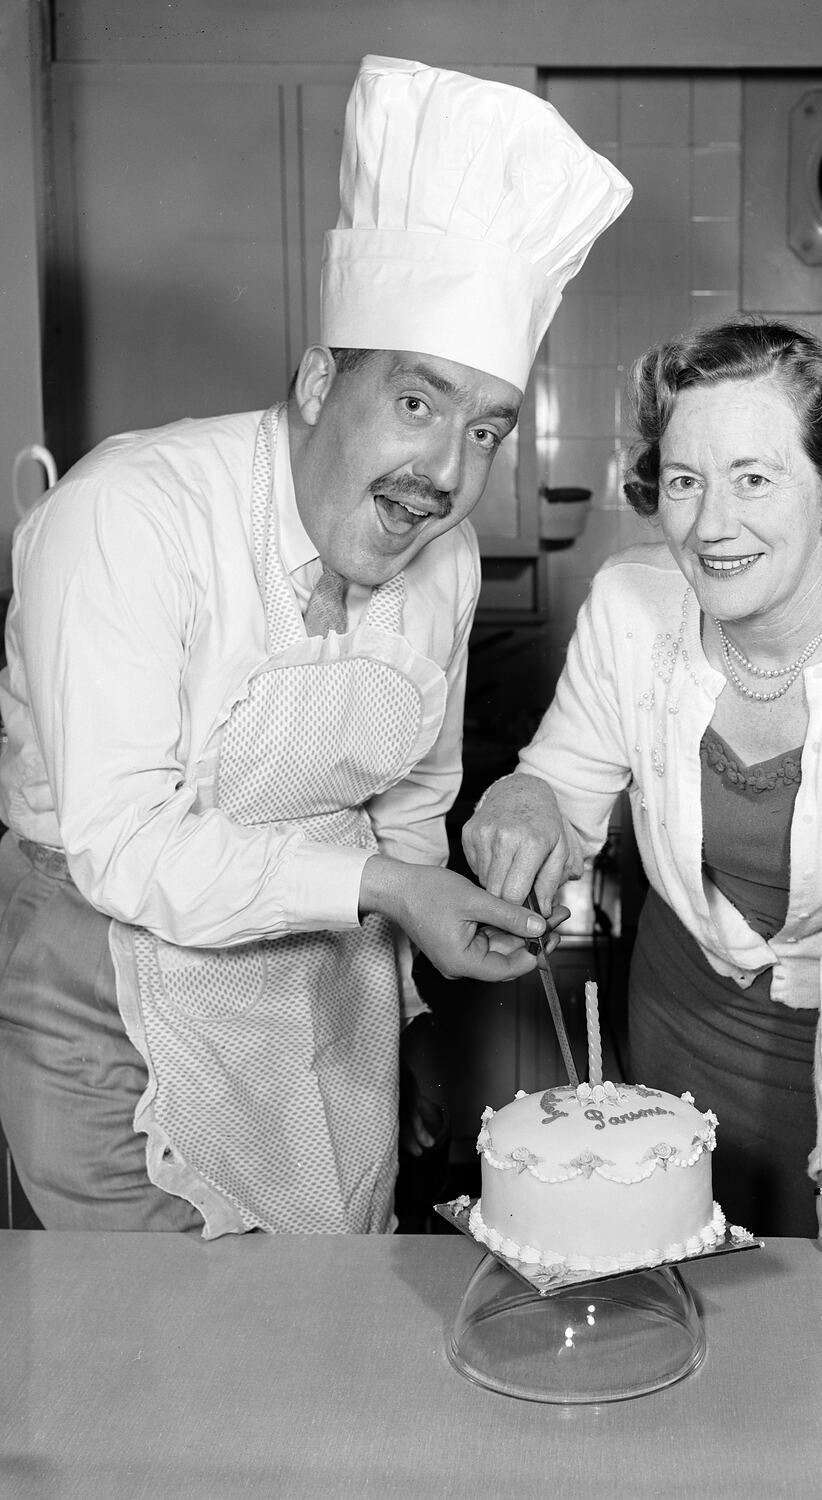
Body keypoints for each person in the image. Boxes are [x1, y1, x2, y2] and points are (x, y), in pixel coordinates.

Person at [0, 56, 630, 1237]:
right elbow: (124, 846)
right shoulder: (131, 515)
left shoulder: (442, 563)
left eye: (484, 429)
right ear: (315, 379)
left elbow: (411, 801)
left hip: (331, 990)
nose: (445, 474)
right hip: (115, 996)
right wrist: (391, 889)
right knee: (165, 1366)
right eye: (416, 403)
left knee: (328, 1333)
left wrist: (412, 1020)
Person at [464, 318, 822, 1342]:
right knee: (682, 1293)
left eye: (755, 478)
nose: (711, 523)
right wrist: (527, 802)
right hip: (684, 999)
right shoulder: (631, 603)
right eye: (683, 481)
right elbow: (565, 776)